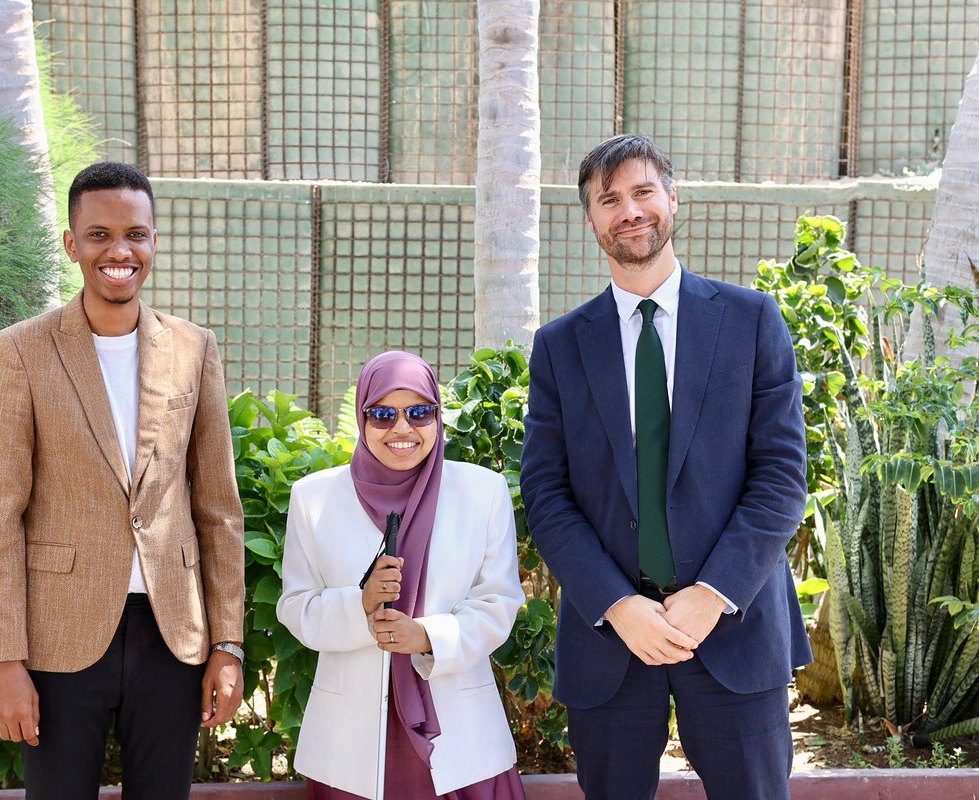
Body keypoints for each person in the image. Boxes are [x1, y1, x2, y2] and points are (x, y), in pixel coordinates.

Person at [520, 134, 811, 800]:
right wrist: (617, 605)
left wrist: (714, 594)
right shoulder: (560, 347)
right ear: (591, 219)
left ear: (672, 199)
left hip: (733, 627)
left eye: (643, 191)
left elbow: (781, 477)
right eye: (609, 199)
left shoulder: (751, 321)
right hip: (611, 642)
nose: (630, 210)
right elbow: (546, 492)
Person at [0, 161, 246, 799]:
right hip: (59, 639)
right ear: (72, 244)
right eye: (99, 235)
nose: (119, 250)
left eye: (136, 234)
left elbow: (219, 510)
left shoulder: (193, 348)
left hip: (171, 636)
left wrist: (227, 644)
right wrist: (4, 661)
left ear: (153, 240)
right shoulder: (20, 351)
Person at [277, 351, 527, 800]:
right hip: (348, 746)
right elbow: (297, 607)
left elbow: (499, 601)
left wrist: (427, 636)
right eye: (383, 414)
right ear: (362, 416)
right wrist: (361, 605)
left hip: (460, 740)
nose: (402, 429)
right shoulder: (313, 498)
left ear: (437, 415)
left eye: (419, 412)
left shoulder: (482, 492)